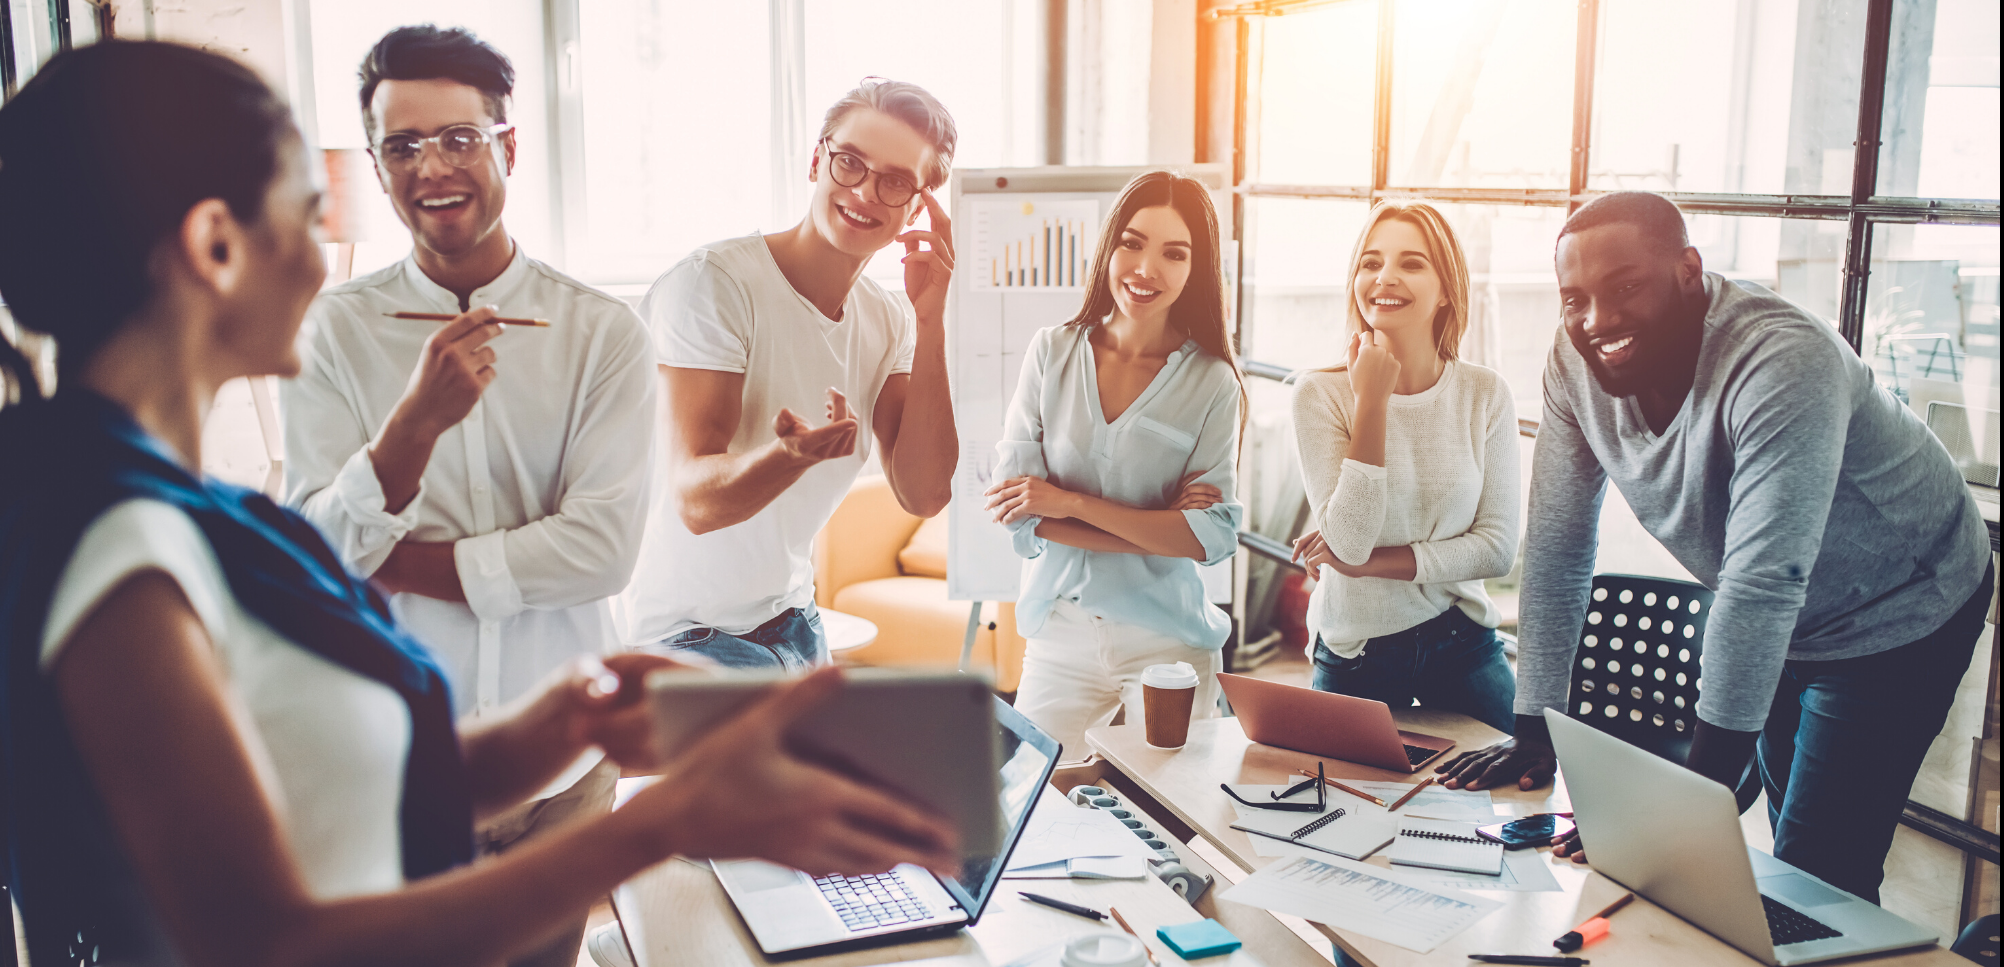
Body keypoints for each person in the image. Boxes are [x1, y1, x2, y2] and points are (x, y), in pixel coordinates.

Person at [0, 40, 958, 967]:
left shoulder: (193, 512)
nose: (332, 254)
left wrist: (574, 717)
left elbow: (358, 784)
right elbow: (273, 943)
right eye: (308, 209)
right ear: (215, 247)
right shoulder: (118, 544)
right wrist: (663, 819)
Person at [1436, 191, 1992, 904]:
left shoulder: (1782, 361)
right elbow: (1557, 544)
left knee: (1816, 875)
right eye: (1575, 298)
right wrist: (1534, 725)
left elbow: (1762, 584)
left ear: (1689, 271)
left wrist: (1684, 805)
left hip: (1902, 604)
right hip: (1789, 610)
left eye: (1626, 288)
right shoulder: (1574, 363)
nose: (1596, 320)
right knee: (1790, 856)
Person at [278, 26, 654, 966]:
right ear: (376, 164)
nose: (432, 167)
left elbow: (601, 550)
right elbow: (315, 557)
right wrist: (409, 431)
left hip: (565, 769)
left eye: (458, 138)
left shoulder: (600, 332)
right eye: (402, 146)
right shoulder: (330, 332)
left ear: (509, 146)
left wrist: (395, 559)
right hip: (397, 767)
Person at [617, 78, 960, 670]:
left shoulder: (890, 320)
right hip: (684, 637)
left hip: (795, 622)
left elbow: (924, 492)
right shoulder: (714, 285)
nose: (865, 193)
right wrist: (789, 457)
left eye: (896, 181)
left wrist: (933, 322)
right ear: (816, 161)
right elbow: (696, 503)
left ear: (920, 203)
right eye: (849, 162)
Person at [982, 170, 1245, 757]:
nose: (1146, 268)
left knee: (1171, 826)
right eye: (1132, 242)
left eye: (1174, 253)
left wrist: (1068, 503)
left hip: (1169, 643)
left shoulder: (1212, 382)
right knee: (1035, 811)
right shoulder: (1052, 352)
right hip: (1061, 632)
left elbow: (1211, 538)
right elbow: (1017, 512)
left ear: (1194, 269)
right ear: (1109, 246)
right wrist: (1159, 527)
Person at [1287, 201, 1520, 736]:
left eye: (1411, 263)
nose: (1384, 277)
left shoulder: (1485, 394)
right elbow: (1347, 542)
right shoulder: (1319, 395)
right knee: (1348, 808)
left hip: (1461, 638)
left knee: (1525, 791)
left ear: (1447, 288)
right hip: (1357, 649)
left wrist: (1371, 565)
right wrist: (1372, 401)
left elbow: (1497, 548)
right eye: (1370, 263)